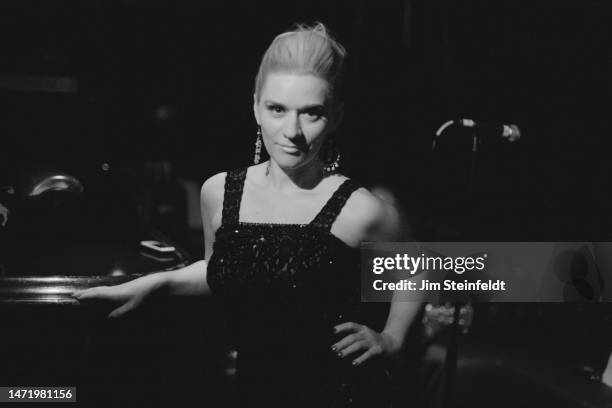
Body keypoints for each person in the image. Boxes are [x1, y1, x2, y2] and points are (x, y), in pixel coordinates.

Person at [73, 23, 422, 407]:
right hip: (250, 391)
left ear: (336, 116)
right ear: (255, 106)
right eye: (277, 109)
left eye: (312, 113)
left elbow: (420, 268)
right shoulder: (219, 192)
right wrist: (156, 284)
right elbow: (224, 268)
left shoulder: (362, 209)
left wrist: (391, 338)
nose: (292, 131)